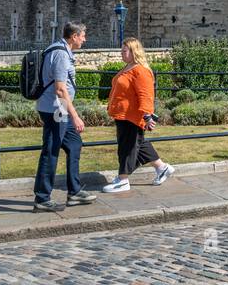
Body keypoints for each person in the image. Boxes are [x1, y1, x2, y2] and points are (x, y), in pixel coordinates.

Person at [33, 21, 98, 212]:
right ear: (74, 36)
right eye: (83, 36)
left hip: (59, 109)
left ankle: (74, 191)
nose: (84, 39)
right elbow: (60, 90)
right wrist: (75, 116)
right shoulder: (61, 54)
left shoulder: (61, 50)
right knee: (51, 151)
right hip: (56, 109)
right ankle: (42, 198)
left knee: (74, 144)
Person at [103, 37, 173, 191]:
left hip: (132, 116)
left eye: (125, 50)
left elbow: (145, 94)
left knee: (127, 148)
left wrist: (147, 116)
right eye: (121, 50)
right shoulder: (127, 67)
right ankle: (162, 168)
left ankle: (123, 180)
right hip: (123, 115)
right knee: (138, 144)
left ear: (134, 51)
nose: (122, 53)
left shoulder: (140, 70)